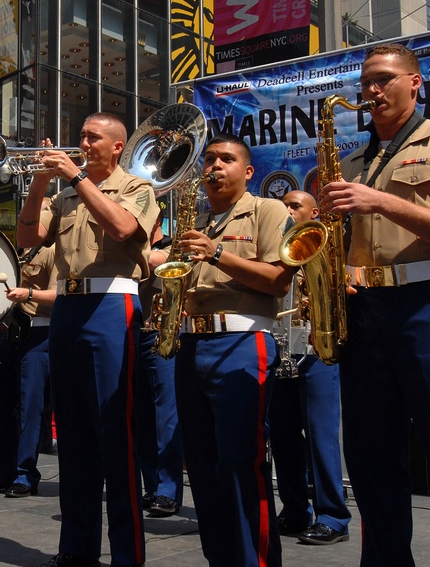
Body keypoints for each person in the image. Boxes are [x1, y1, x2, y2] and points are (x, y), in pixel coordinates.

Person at [320, 43, 430, 566]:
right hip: (362, 312)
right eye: (366, 82)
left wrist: (381, 201)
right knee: (371, 460)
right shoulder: (350, 160)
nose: (372, 91)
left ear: (416, 83)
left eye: (384, 79)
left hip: (429, 306)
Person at [17, 112, 159, 567]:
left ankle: (125, 554)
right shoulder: (64, 195)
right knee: (74, 435)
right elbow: (27, 237)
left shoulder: (137, 187)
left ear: (117, 146)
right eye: (81, 136)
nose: (83, 143)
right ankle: (76, 549)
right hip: (68, 307)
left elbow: (122, 229)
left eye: (93, 137)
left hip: (113, 306)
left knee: (116, 432)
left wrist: (76, 177)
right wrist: (39, 183)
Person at [171, 133, 293, 567]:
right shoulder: (199, 221)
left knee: (242, 463)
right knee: (202, 469)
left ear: (248, 171)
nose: (214, 167)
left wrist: (216, 252)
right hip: (192, 343)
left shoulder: (268, 210)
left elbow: (279, 279)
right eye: (209, 160)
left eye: (226, 159)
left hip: (243, 342)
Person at [269, 191, 351, 545]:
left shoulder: (328, 245)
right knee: (283, 436)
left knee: (320, 436)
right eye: (283, 205)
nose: (287, 211)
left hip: (315, 350)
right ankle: (294, 510)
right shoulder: (274, 244)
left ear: (314, 212)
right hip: (279, 349)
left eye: (294, 206)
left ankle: (332, 514)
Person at [0, 245, 57, 499]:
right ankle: (3, 471)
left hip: (40, 331)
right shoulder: (14, 253)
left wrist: (28, 294)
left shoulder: (52, 251)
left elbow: (59, 295)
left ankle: (24, 473)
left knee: (30, 407)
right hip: (12, 333)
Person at [136, 221, 184, 518]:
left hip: (161, 333)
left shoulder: (168, 245)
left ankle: (168, 490)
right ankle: (152, 485)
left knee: (166, 414)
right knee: (140, 417)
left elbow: (156, 260)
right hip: (133, 333)